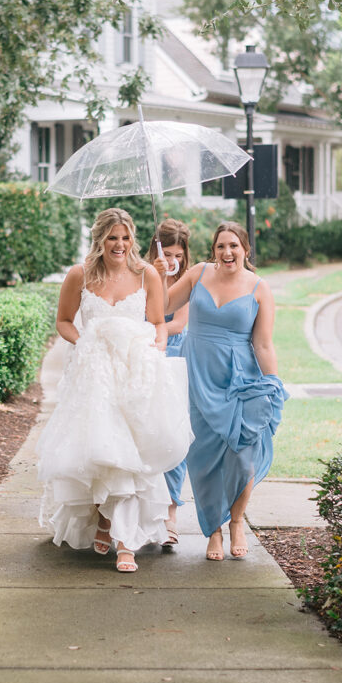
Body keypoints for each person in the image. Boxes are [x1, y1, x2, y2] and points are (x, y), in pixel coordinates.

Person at [37, 207, 193, 572]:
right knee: (99, 451)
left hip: (133, 372)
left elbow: (158, 323)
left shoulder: (146, 275)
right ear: (100, 239)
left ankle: (127, 542)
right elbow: (63, 322)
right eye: (112, 238)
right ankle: (103, 519)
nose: (119, 244)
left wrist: (154, 352)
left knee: (132, 456)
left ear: (132, 239)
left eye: (124, 238)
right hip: (92, 374)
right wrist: (85, 341)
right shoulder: (80, 275)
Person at [158, 221, 287, 561]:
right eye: (220, 246)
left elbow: (262, 343)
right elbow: (160, 307)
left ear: (245, 249)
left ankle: (236, 520)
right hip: (197, 375)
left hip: (240, 379)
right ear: (212, 250)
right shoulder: (198, 274)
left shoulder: (259, 288)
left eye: (233, 246)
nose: (227, 252)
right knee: (202, 461)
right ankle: (213, 529)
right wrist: (159, 276)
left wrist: (272, 384)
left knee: (242, 458)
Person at [146, 219, 191, 547]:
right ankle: (147, 512)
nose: (173, 260)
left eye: (179, 254)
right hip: (146, 360)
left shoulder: (186, 281)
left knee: (175, 437)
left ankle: (172, 511)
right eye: (168, 253)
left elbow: (176, 324)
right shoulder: (144, 275)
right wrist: (158, 276)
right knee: (148, 436)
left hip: (176, 360)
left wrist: (154, 332)